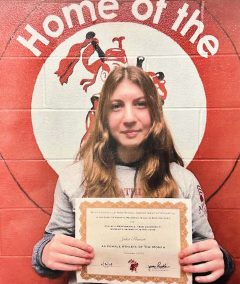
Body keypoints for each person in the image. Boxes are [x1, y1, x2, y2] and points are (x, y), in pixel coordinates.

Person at [32, 66, 234, 284]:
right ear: (104, 117)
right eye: (116, 106)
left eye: (141, 104)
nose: (129, 118)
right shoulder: (73, 178)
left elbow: (204, 251)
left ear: (155, 112)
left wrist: (222, 260)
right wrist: (45, 253)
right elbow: (52, 244)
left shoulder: (183, 180)